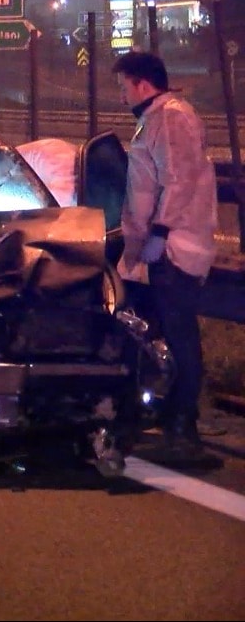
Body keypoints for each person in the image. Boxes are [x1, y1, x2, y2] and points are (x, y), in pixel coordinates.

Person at [111, 50, 218, 455]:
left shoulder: (170, 117)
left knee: (178, 335)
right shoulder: (158, 117)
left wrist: (159, 234)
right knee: (149, 333)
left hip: (172, 250)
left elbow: (178, 180)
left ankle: (181, 427)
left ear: (142, 83)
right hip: (154, 252)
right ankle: (153, 416)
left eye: (124, 87)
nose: (122, 97)